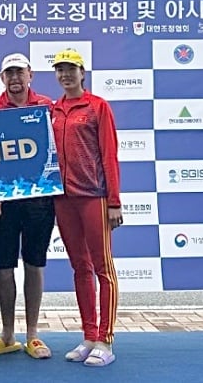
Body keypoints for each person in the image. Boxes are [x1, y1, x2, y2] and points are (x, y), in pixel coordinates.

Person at [51, 48, 122, 367]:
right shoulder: (53, 110)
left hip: (94, 196)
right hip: (63, 200)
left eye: (71, 69)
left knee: (102, 268)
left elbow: (109, 155)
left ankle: (106, 340)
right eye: (60, 70)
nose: (65, 75)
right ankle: (89, 335)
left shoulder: (97, 107)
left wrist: (114, 201)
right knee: (79, 268)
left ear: (83, 73)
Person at [0, 52, 56, 360]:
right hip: (3, 202)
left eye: (19, 72)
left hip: (39, 199)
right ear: (2, 78)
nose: (14, 78)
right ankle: (8, 334)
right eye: (8, 73)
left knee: (34, 264)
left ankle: (33, 335)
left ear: (30, 75)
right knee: (2, 268)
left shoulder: (47, 107)